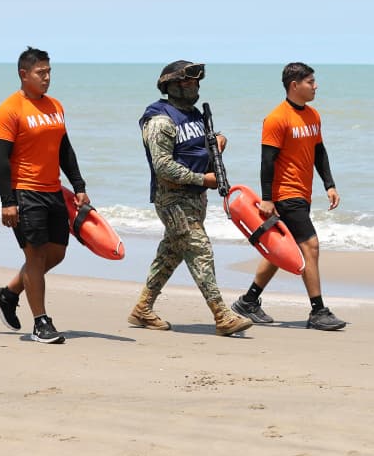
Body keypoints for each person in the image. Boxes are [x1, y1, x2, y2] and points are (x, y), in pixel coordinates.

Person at [129, 61, 252, 336]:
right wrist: (203, 179)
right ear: (172, 86)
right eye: (187, 82)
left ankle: (142, 310)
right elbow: (162, 166)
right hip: (172, 200)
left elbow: (198, 146)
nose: (194, 86)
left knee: (170, 254)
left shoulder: (195, 115)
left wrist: (218, 141)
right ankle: (222, 315)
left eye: (196, 82)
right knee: (200, 250)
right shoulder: (160, 121)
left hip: (195, 199)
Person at [0, 47, 90, 344]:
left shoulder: (55, 106)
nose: (46, 78)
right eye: (40, 73)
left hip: (53, 190)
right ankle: (41, 322)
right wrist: (8, 202)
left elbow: (64, 149)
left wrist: (79, 186)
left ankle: (7, 294)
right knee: (35, 255)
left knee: (57, 252)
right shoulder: (8, 110)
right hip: (25, 193)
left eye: (49, 72)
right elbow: (1, 160)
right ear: (23, 74)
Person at [231, 62, 346, 331]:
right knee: (311, 246)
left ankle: (248, 301)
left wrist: (329, 184)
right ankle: (318, 310)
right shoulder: (276, 118)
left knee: (282, 251)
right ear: (294, 85)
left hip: (302, 193)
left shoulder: (313, 116)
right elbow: (267, 161)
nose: (316, 86)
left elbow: (319, 152)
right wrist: (268, 198)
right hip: (285, 194)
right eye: (310, 82)